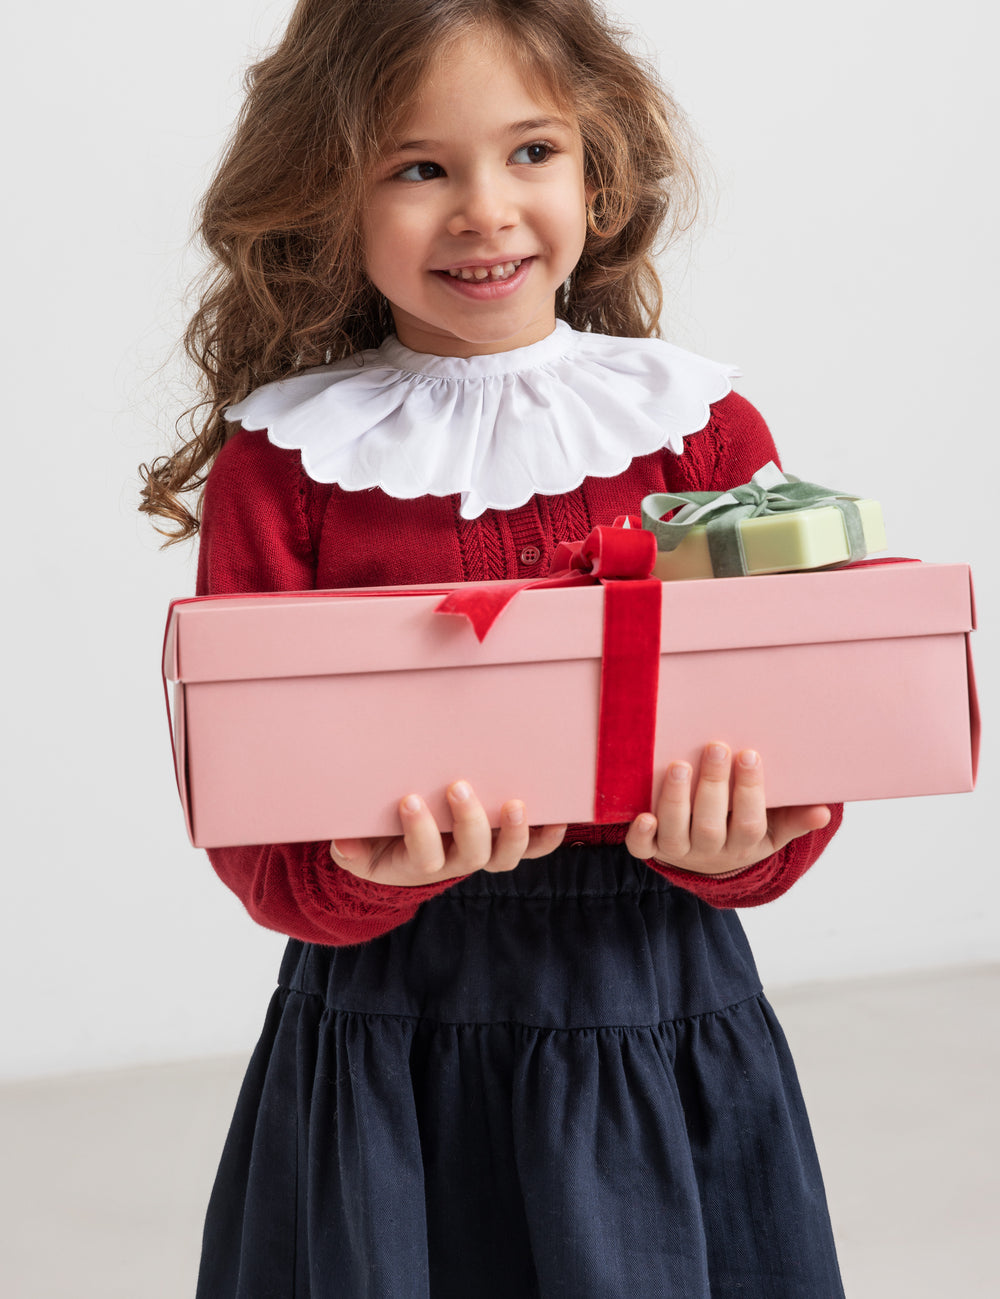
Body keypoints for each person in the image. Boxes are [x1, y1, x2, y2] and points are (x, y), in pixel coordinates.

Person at [142, 2, 846, 1294]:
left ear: (601, 169)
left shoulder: (702, 428)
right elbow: (258, 845)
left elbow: (801, 757)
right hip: (393, 1031)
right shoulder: (283, 467)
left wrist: (749, 844)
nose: (485, 210)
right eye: (419, 168)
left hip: (655, 1004)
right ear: (325, 198)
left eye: (532, 153)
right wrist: (362, 873)